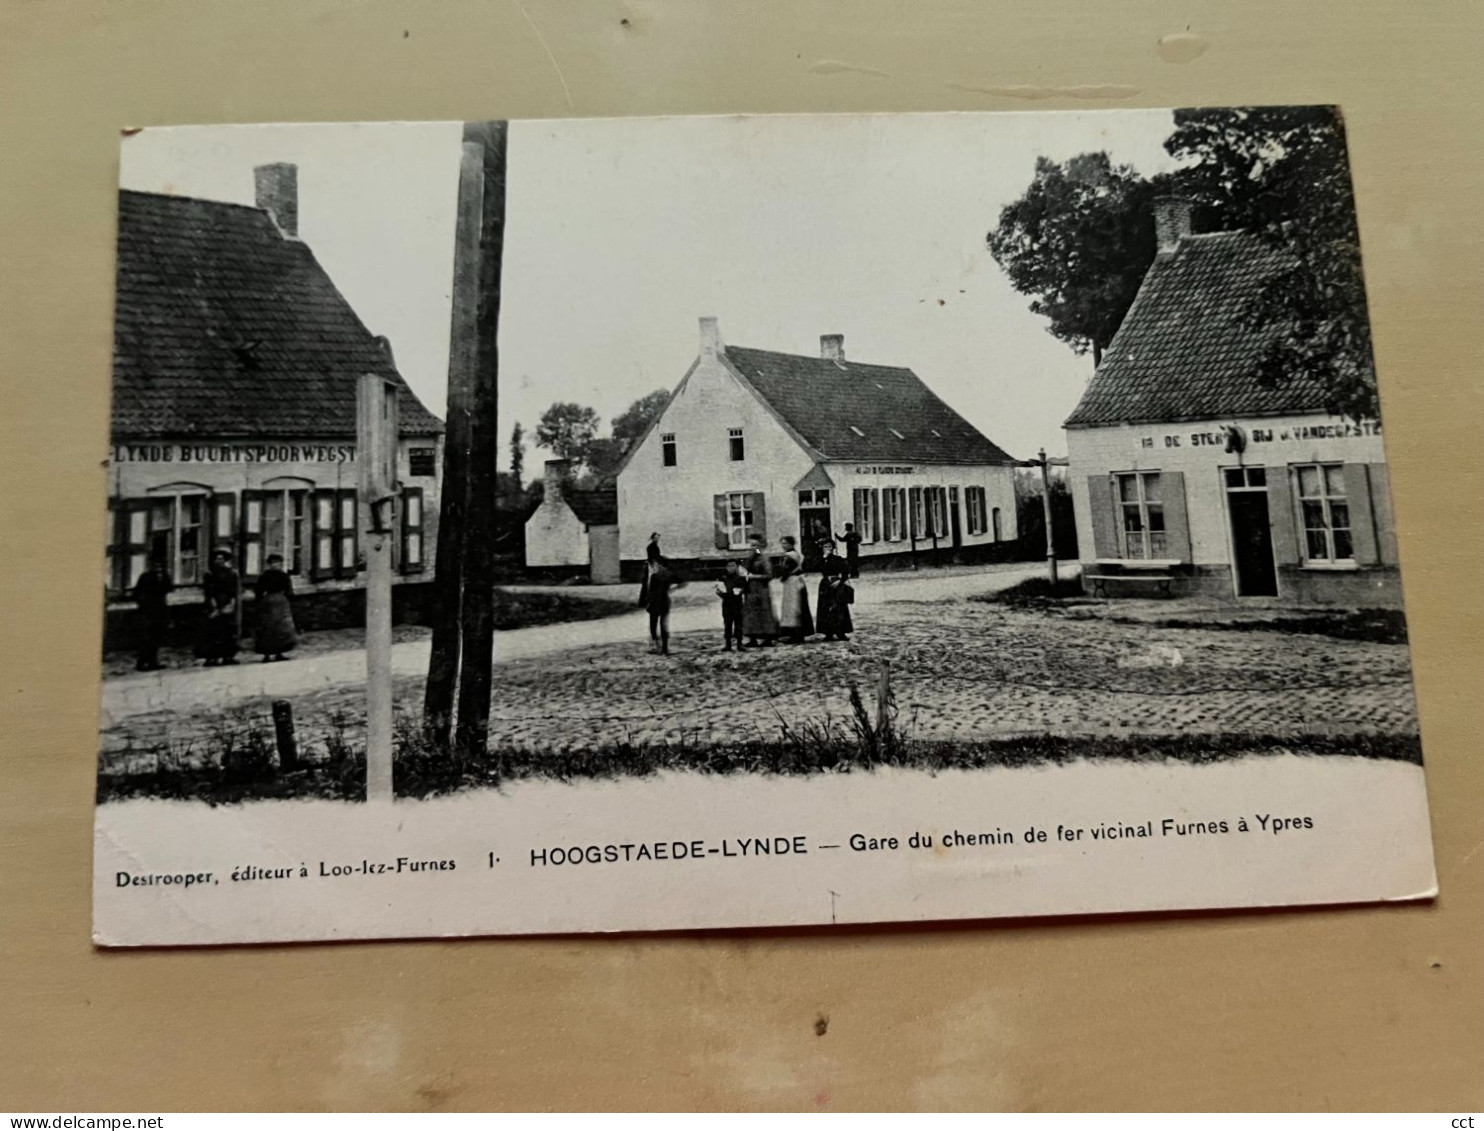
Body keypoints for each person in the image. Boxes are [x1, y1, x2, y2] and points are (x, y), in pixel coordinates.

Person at [198, 549, 241, 666]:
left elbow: (233, 591)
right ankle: (212, 657)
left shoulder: (231, 574)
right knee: (213, 632)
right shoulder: (209, 574)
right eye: (217, 559)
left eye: (221, 559)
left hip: (227, 602)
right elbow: (209, 592)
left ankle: (228, 656)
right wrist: (214, 607)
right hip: (213, 603)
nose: (219, 561)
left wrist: (231, 604)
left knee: (228, 631)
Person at [252, 553, 297, 662]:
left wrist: (286, 599)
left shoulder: (284, 576)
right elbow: (258, 591)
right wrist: (261, 602)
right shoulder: (264, 577)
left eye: (277, 563)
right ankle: (266, 654)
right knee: (267, 627)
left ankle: (279, 653)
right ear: (269, 564)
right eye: (272, 563)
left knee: (281, 628)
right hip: (268, 603)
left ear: (280, 564)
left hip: (281, 603)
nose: (275, 565)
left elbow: (289, 591)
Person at [131, 556, 173, 672]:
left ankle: (153, 662)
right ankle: (142, 662)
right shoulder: (145, 577)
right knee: (147, 638)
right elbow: (137, 594)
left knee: (157, 637)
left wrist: (163, 578)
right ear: (151, 566)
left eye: (160, 566)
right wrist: (144, 605)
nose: (158, 568)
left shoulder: (165, 577)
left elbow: (169, 590)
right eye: (156, 566)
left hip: (161, 610)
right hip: (148, 612)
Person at [740, 534, 779, 648]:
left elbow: (769, 575)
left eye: (755, 545)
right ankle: (752, 638)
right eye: (751, 545)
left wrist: (753, 577)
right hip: (751, 589)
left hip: (761, 589)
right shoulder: (750, 559)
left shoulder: (764, 559)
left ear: (760, 546)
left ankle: (768, 638)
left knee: (763, 613)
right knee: (751, 613)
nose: (753, 548)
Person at [775, 535, 814, 644]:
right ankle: (794, 633)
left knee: (794, 607)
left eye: (786, 543)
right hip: (795, 581)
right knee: (794, 607)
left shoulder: (790, 556)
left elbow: (786, 570)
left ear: (791, 544)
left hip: (793, 582)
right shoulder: (796, 554)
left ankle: (796, 634)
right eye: (782, 543)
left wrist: (780, 575)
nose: (783, 546)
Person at [815, 538, 854, 642]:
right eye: (825, 547)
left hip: (836, 584)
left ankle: (841, 632)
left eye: (829, 546)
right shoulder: (821, 559)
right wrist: (824, 558)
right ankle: (828, 632)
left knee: (838, 607)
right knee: (825, 607)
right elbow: (816, 567)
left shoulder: (838, 559)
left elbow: (845, 572)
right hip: (825, 585)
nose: (827, 549)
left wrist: (840, 581)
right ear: (822, 548)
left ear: (833, 548)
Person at [646, 559, 681, 655]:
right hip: (664, 601)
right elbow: (680, 581)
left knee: (654, 625)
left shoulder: (655, 576)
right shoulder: (668, 576)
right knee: (663, 625)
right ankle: (664, 648)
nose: (654, 567)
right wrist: (671, 589)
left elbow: (651, 592)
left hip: (655, 602)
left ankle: (658, 647)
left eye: (656, 565)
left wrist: (648, 602)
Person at [715, 558, 747, 651]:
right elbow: (718, 589)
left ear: (737, 567)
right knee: (727, 623)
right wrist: (720, 592)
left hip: (737, 603)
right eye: (729, 566)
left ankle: (739, 643)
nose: (731, 568)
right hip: (727, 603)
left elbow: (745, 588)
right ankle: (728, 644)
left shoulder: (741, 578)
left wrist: (740, 591)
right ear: (726, 567)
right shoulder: (723, 577)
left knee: (738, 624)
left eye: (733, 565)